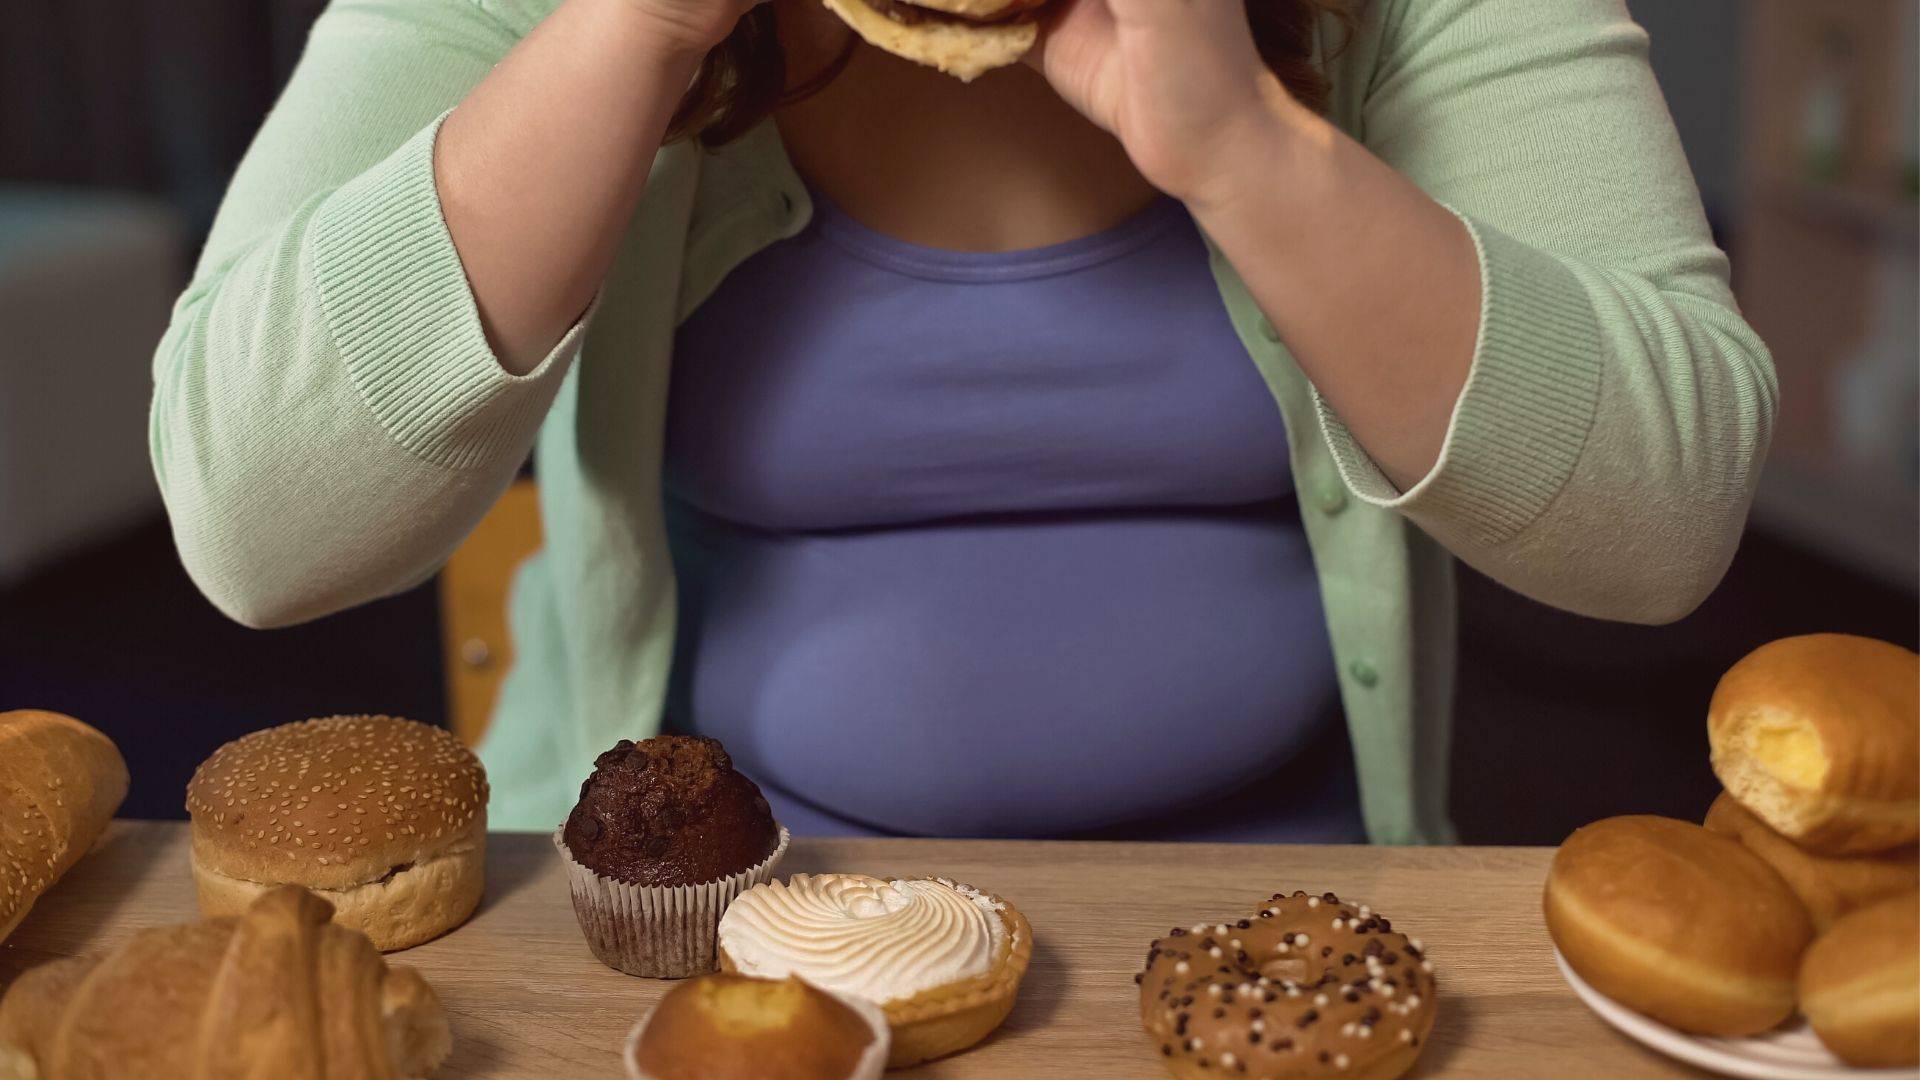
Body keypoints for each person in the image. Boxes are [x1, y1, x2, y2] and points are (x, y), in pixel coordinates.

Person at [151, 0, 1775, 842]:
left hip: (1300, 912)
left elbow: (1664, 515)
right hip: (704, 939)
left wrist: (1248, 153)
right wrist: (630, 34)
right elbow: (254, 524)